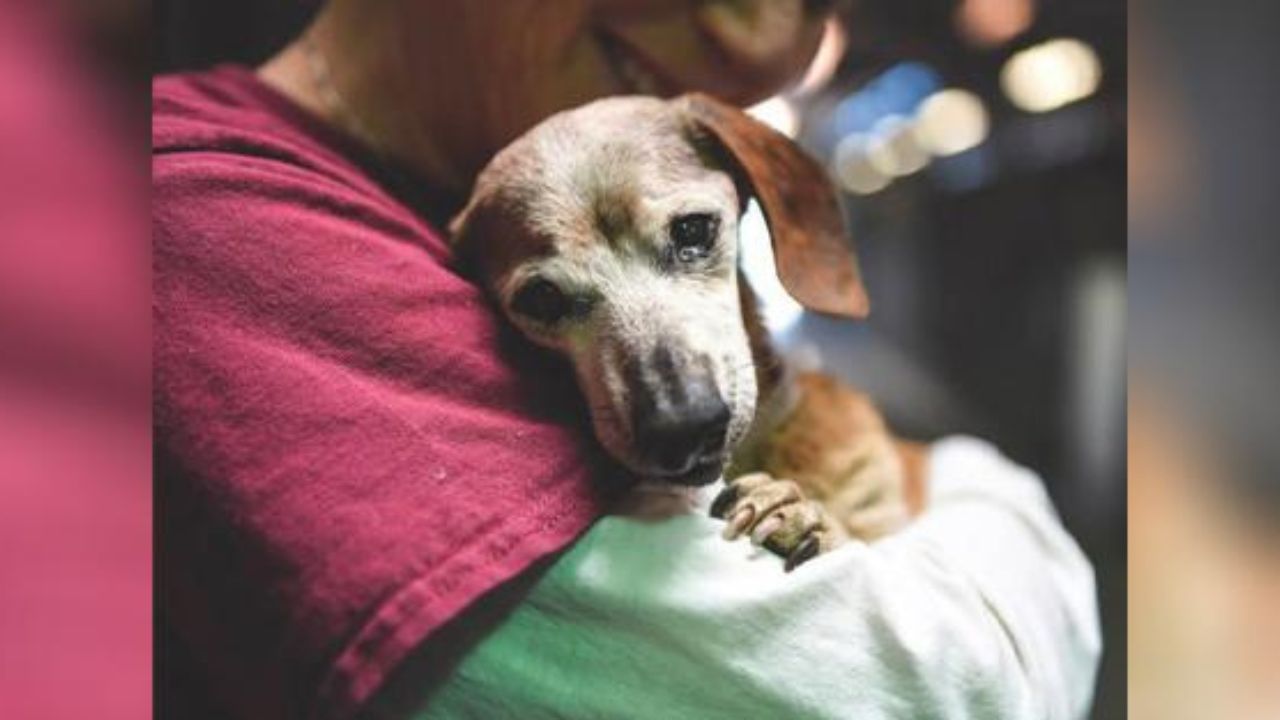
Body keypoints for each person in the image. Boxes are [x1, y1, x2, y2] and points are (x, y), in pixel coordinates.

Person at [153, 1, 1100, 718]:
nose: (767, 38)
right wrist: (995, 494)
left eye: (814, 2)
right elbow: (933, 690)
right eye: (549, 301)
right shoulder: (194, 218)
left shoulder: (443, 206)